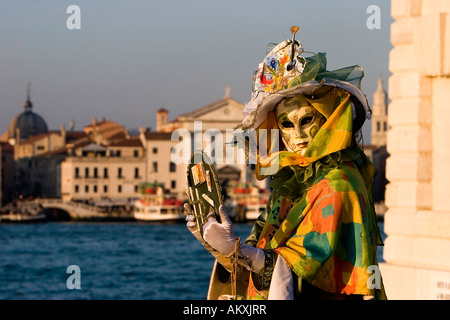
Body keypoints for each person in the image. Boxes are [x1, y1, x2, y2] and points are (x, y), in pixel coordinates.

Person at [185, 27, 386, 300]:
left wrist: (239, 250)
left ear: (327, 120)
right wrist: (214, 240)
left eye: (306, 120)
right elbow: (257, 257)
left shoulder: (339, 184)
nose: (297, 136)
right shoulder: (289, 184)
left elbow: (308, 270)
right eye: (286, 125)